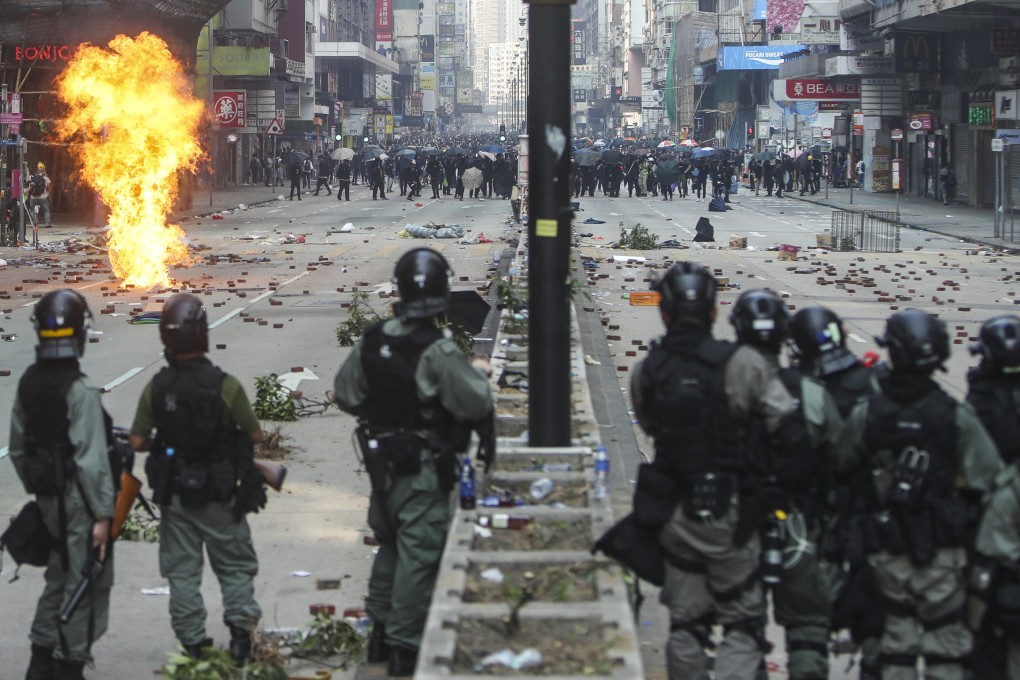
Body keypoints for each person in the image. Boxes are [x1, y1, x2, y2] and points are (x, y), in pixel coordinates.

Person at [629, 262, 809, 680]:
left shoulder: (648, 371)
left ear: (664, 312)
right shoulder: (743, 364)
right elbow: (788, 429)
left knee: (687, 625)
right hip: (734, 514)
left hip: (677, 512)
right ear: (714, 312)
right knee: (742, 626)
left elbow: (649, 425)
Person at [333, 248, 494, 676]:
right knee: (419, 554)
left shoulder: (374, 339)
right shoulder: (438, 350)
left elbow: (346, 394)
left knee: (391, 546)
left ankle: (379, 636)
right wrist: (477, 370)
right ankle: (404, 650)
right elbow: (476, 402)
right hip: (421, 469)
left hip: (381, 465)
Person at [835, 309, 1002, 680]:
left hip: (886, 550)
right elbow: (987, 478)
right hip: (942, 553)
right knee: (946, 651)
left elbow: (842, 462)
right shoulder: (955, 416)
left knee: (897, 650)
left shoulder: (870, 414)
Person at [128, 293, 266, 666]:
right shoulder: (227, 385)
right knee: (235, 566)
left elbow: (138, 441)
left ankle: (192, 646)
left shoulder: (156, 387)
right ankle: (241, 638)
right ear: (204, 333)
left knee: (182, 572)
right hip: (221, 494)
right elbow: (256, 436)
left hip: (176, 496)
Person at [730, 291, 843, 680]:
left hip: (740, 523)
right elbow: (842, 456)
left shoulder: (723, 387)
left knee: (742, 631)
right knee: (808, 629)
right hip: (801, 524)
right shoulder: (811, 393)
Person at [10, 289, 115, 680]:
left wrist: (43, 491)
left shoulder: (29, 384)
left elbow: (19, 450)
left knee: (58, 574)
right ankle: (68, 664)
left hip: (49, 498)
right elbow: (92, 461)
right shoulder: (80, 391)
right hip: (81, 503)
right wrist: (102, 516)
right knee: (87, 581)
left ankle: (40, 659)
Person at [26, 162, 53, 228]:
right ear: (44, 170)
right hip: (43, 197)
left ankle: (35, 222)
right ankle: (47, 223)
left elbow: (28, 181)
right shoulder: (46, 178)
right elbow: (49, 188)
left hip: (33, 197)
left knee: (32, 210)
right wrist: (49, 195)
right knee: (46, 210)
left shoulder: (32, 177)